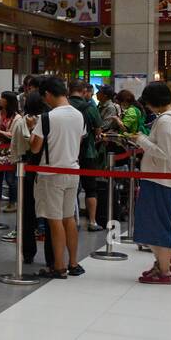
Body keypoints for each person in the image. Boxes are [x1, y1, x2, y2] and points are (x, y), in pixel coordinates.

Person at [130, 82, 171, 285]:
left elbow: (163, 152)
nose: (146, 106)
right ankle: (161, 264)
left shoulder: (166, 122)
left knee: (158, 225)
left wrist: (141, 139)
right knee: (156, 223)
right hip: (162, 178)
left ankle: (164, 271)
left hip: (160, 179)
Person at [28, 76, 83, 279]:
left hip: (51, 173)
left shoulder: (47, 118)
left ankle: (58, 266)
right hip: (73, 171)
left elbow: (35, 147)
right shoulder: (78, 115)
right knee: (69, 218)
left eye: (45, 98)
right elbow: (78, 141)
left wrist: (31, 128)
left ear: (48, 94)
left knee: (54, 220)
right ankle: (73, 263)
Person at [18, 91, 51, 267]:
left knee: (28, 213)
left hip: (31, 169)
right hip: (51, 170)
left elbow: (33, 147)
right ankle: (52, 258)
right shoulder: (52, 118)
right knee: (51, 216)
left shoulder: (31, 121)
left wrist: (31, 129)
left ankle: (28, 253)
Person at [68, 79, 104, 232]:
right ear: (84, 91)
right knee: (90, 188)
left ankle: (71, 219)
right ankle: (92, 222)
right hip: (87, 152)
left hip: (68, 152)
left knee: (70, 188)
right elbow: (98, 130)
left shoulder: (64, 106)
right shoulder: (90, 108)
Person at [0, 91, 20, 210]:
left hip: (11, 152)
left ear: (9, 101)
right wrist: (4, 134)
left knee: (11, 179)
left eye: (3, 98)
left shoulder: (17, 117)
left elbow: (13, 135)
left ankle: (13, 203)